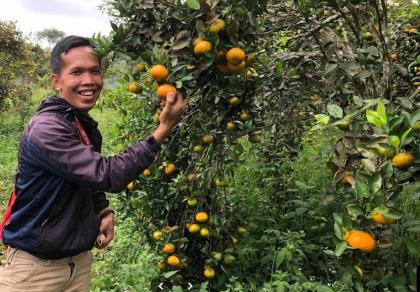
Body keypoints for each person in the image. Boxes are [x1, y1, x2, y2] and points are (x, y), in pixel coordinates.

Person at [0, 35, 187, 291]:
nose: (88, 81)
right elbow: (106, 174)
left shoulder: (78, 121)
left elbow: (86, 176)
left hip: (78, 264)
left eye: (95, 71)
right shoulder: (47, 129)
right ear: (57, 81)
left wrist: (103, 210)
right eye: (76, 71)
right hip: (34, 272)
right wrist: (163, 129)